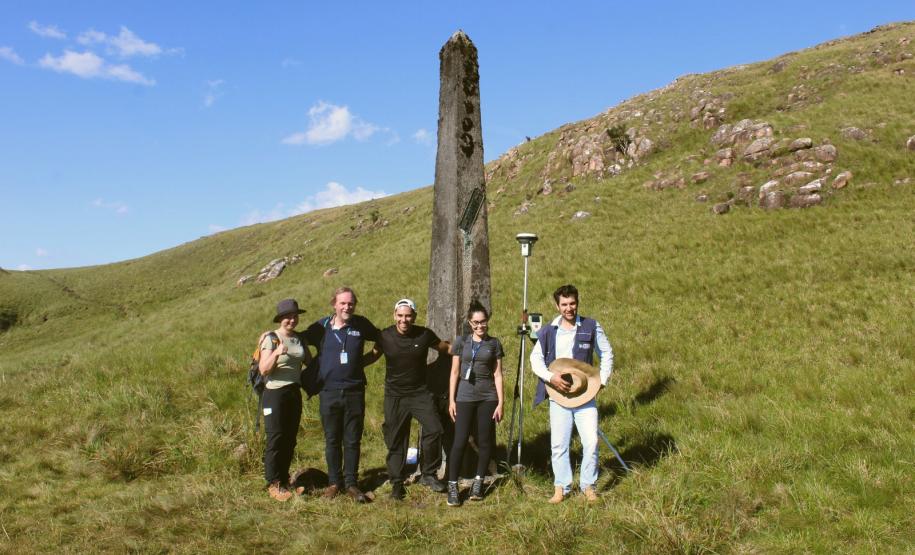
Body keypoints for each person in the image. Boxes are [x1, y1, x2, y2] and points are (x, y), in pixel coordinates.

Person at [530, 284, 613, 503]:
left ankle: (588, 485)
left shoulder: (591, 326)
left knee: (591, 442)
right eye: (564, 304)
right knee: (559, 444)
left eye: (572, 303)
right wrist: (550, 377)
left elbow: (607, 352)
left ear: (577, 302)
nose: (569, 308)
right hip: (559, 395)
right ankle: (562, 487)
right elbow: (535, 359)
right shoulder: (548, 330)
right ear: (557, 306)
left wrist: (601, 381)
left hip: (585, 395)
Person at [367, 298, 451, 500]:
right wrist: (350, 366)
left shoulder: (424, 335)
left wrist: (472, 348)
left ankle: (428, 474)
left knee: (434, 429)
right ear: (394, 315)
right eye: (400, 315)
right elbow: (372, 356)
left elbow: (446, 349)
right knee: (396, 438)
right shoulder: (385, 336)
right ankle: (397, 482)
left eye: (408, 316)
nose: (404, 320)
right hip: (395, 395)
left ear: (414, 316)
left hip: (420, 393)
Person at [303, 286, 380, 503]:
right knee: (332, 439)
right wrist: (313, 365)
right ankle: (334, 483)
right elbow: (299, 340)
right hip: (328, 392)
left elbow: (381, 340)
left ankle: (352, 484)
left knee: (352, 440)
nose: (347, 307)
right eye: (343, 303)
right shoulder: (321, 326)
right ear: (334, 305)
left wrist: (364, 361)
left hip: (355, 391)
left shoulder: (361, 324)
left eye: (350, 303)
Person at [446, 301, 504, 507]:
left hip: (488, 398)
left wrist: (501, 403)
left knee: (485, 440)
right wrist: (451, 400)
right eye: (476, 322)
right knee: (459, 441)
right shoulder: (461, 342)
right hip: (464, 397)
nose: (481, 326)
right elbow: (454, 373)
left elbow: (497, 374)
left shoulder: (494, 344)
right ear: (470, 323)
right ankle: (452, 485)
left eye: (484, 322)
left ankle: (478, 482)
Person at [259, 298, 311, 501]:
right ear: (280, 319)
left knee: (290, 438)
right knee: (276, 437)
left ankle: (285, 479)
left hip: (293, 392)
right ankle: (273, 483)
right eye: (287, 316)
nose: (292, 319)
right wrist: (277, 353)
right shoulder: (271, 338)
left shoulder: (299, 338)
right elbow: (264, 369)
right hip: (275, 393)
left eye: (294, 316)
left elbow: (309, 361)